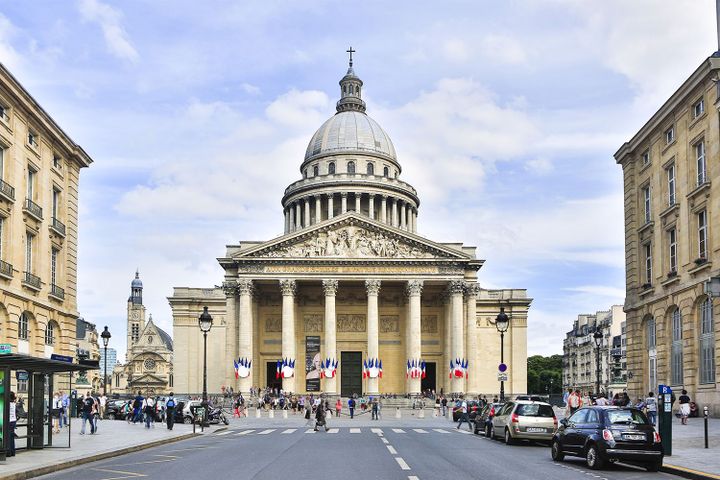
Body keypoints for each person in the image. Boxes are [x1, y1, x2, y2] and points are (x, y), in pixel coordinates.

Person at [7, 391, 17, 456]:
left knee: (8, 437)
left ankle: (8, 451)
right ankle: (12, 451)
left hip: (8, 421)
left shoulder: (7, 404)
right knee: (11, 436)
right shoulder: (14, 404)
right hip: (13, 421)